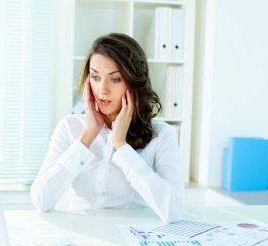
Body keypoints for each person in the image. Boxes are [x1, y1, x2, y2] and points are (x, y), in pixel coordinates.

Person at [30, 33, 184, 223]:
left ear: (134, 82)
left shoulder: (162, 135)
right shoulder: (70, 126)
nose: (102, 89)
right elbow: (41, 201)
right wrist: (88, 135)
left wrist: (120, 145)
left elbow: (173, 210)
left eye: (115, 79)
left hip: (134, 234)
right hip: (83, 234)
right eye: (95, 77)